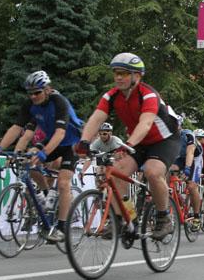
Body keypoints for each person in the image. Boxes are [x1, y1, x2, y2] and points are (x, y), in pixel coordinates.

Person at [75, 53, 181, 240]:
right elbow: (97, 118)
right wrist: (84, 142)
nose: (118, 77)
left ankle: (163, 218)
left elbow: (146, 124)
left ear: (137, 76)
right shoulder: (111, 96)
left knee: (152, 172)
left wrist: (128, 144)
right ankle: (126, 219)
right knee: (116, 173)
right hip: (138, 141)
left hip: (164, 140)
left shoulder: (148, 95)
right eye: (116, 73)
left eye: (123, 73)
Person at [0, 70, 83, 242]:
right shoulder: (30, 105)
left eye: (37, 92)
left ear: (47, 89)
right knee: (29, 160)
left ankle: (62, 227)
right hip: (52, 141)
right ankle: (45, 195)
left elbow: (60, 133)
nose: (33, 96)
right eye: (30, 93)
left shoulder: (59, 102)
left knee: (63, 183)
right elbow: (17, 129)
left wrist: (44, 153)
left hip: (71, 142)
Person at [172, 129, 204, 231]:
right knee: (169, 173)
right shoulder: (167, 135)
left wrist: (187, 169)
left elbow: (190, 153)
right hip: (181, 158)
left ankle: (196, 217)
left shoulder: (188, 135)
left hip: (194, 158)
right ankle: (176, 198)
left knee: (191, 186)